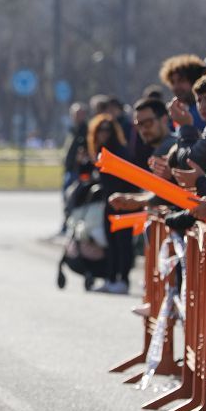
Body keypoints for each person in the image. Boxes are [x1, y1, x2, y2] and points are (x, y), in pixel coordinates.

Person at [86, 113, 133, 293]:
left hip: (123, 202)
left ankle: (123, 280)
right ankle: (110, 278)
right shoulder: (99, 152)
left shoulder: (120, 151)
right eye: (100, 130)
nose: (103, 134)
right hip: (109, 202)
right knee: (110, 242)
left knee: (123, 243)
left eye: (107, 130)